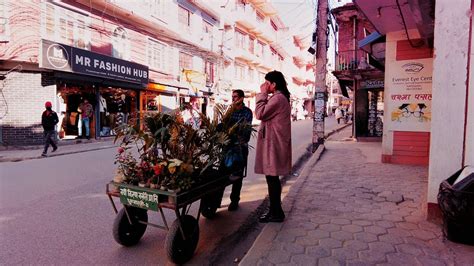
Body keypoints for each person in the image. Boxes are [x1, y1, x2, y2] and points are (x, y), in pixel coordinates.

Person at [255, 70, 292, 223]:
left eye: (267, 83)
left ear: (274, 84)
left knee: (272, 179)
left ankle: (276, 212)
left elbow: (259, 113)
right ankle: (275, 211)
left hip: (273, 144)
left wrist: (262, 94)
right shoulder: (279, 98)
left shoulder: (277, 99)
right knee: (272, 178)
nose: (265, 86)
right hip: (274, 143)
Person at [228, 89, 253, 211]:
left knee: (237, 176)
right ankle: (215, 202)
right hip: (228, 146)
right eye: (232, 97)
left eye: (236, 97)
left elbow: (245, 131)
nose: (233, 99)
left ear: (242, 98)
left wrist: (235, 133)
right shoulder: (230, 111)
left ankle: (234, 200)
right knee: (222, 175)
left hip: (239, 148)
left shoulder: (247, 112)